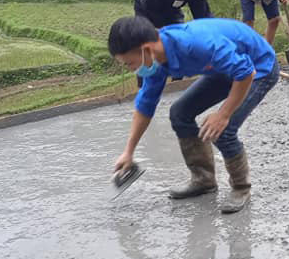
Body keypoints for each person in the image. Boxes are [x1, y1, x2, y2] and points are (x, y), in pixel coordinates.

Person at [109, 16, 279, 215]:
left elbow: (246, 72)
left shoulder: (195, 43)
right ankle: (204, 180)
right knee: (180, 113)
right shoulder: (155, 62)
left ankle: (241, 188)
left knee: (223, 130)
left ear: (146, 49)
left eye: (129, 63)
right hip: (225, 70)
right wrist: (129, 152)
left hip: (258, 68)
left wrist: (223, 114)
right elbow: (145, 106)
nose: (131, 69)